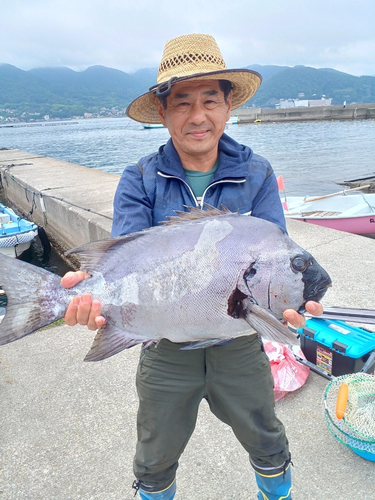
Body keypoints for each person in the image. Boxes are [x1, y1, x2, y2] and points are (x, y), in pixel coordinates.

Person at [62, 34, 323, 500]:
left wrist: (295, 303)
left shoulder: (257, 172)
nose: (197, 116)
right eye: (182, 102)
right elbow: (125, 259)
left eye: (210, 100)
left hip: (240, 345)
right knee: (155, 454)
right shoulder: (139, 177)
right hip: (163, 346)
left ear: (228, 106)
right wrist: (92, 297)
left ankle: (275, 491)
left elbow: (276, 254)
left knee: (265, 436)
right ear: (162, 112)